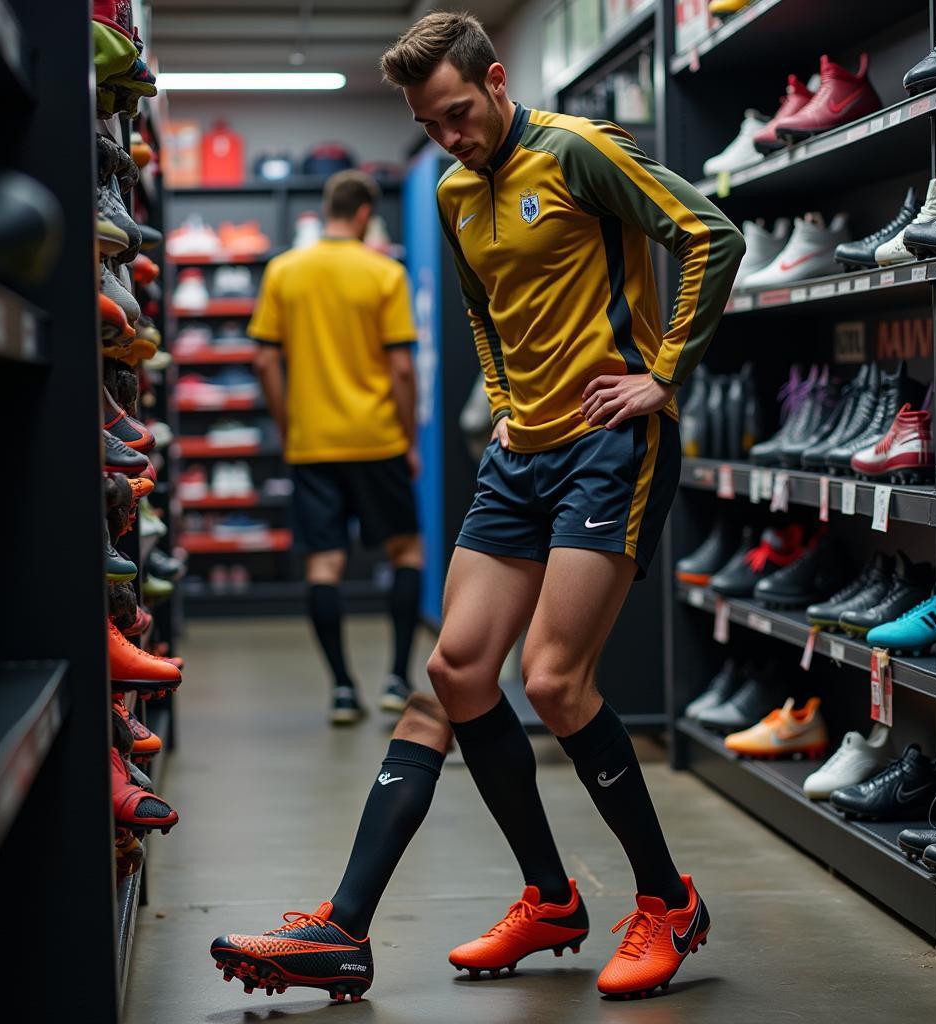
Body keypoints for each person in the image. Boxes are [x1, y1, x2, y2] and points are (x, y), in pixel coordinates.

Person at [209, 12, 743, 1003]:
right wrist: (503, 407)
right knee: (452, 673)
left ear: (496, 82)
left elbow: (709, 232)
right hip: (522, 454)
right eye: (427, 125)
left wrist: (663, 374)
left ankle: (666, 899)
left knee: (551, 680)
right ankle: (394, 923)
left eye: (458, 112)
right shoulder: (456, 192)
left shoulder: (577, 152)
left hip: (609, 445)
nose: (449, 137)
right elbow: (480, 315)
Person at [250, 170, 424, 725]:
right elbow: (401, 367)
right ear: (365, 213)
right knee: (406, 553)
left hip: (313, 444)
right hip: (378, 440)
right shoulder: (384, 272)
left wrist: (289, 423)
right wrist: (409, 439)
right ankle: (397, 679)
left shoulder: (283, 271)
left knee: (323, 566)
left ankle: (344, 690)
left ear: (327, 210)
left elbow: (263, 360)